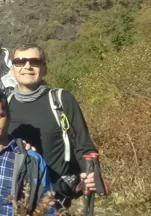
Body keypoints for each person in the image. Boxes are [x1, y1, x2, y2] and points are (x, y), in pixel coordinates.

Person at [6, 44, 98, 203]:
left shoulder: (62, 100)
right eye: (20, 62)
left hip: (58, 196)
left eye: (34, 61)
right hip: (19, 196)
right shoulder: (6, 105)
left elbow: (83, 143)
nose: (27, 66)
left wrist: (92, 174)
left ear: (44, 68)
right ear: (12, 69)